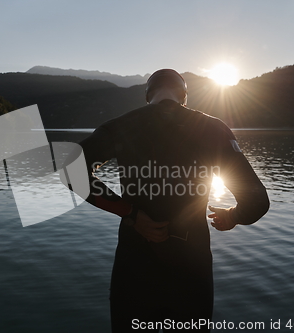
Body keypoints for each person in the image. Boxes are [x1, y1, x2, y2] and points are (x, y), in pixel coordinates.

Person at [73, 69, 269, 332]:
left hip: (134, 271)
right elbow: (257, 202)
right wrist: (232, 216)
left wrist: (130, 213)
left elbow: (70, 170)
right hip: (192, 271)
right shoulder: (213, 129)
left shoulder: (121, 126)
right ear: (184, 98)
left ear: (147, 97)